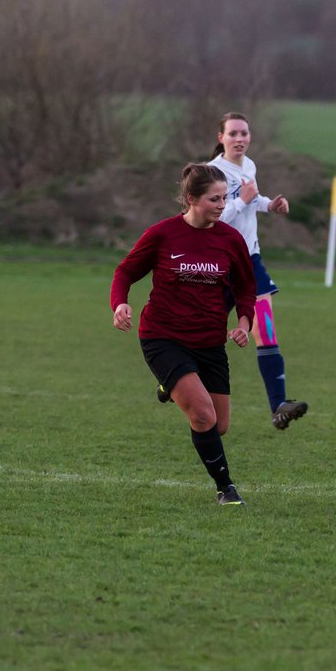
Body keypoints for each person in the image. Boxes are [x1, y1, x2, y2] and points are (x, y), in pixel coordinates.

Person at [111, 163, 257, 506]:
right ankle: (226, 489)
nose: (222, 206)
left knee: (218, 426)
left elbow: (246, 289)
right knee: (202, 415)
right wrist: (119, 304)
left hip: (209, 342)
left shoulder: (230, 239)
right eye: (214, 199)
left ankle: (169, 387)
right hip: (163, 337)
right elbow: (125, 271)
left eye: (225, 198)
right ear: (191, 199)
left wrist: (243, 324)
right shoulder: (163, 234)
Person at [206, 111, 309, 431]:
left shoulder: (249, 166)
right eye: (233, 133)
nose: (240, 139)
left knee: (265, 328)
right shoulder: (212, 172)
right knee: (201, 333)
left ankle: (279, 405)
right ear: (220, 137)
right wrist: (242, 201)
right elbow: (211, 219)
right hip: (219, 262)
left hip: (250, 260)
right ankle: (171, 381)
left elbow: (251, 200)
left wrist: (269, 204)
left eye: (244, 133)